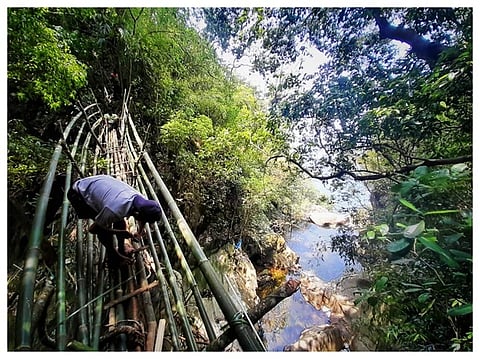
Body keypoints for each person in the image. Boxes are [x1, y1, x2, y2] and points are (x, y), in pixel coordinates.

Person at [67, 174, 162, 266]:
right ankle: (115, 257)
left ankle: (121, 248)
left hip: (100, 184)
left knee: (120, 222)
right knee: (104, 231)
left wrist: (139, 232)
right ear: (137, 213)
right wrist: (119, 232)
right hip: (78, 194)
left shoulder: (140, 200)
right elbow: (93, 229)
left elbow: (143, 217)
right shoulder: (114, 210)